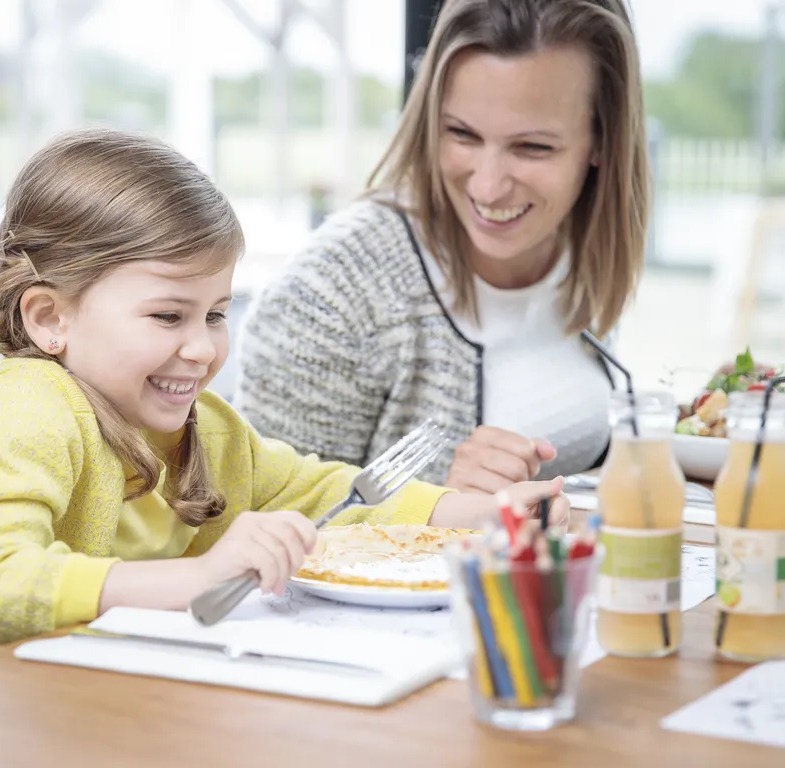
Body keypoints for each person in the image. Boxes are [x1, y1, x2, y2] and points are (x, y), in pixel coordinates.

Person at [0, 128, 565, 677]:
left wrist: (481, 515)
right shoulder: (29, 404)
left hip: (101, 700)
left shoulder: (202, 429)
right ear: (50, 318)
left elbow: (328, 493)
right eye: (167, 316)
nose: (203, 350)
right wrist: (198, 577)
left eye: (215, 314)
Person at [234, 0, 649, 494]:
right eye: (462, 134)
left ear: (602, 140)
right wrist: (440, 512)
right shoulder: (334, 290)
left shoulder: (578, 247)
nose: (489, 187)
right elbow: (264, 523)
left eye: (533, 147)